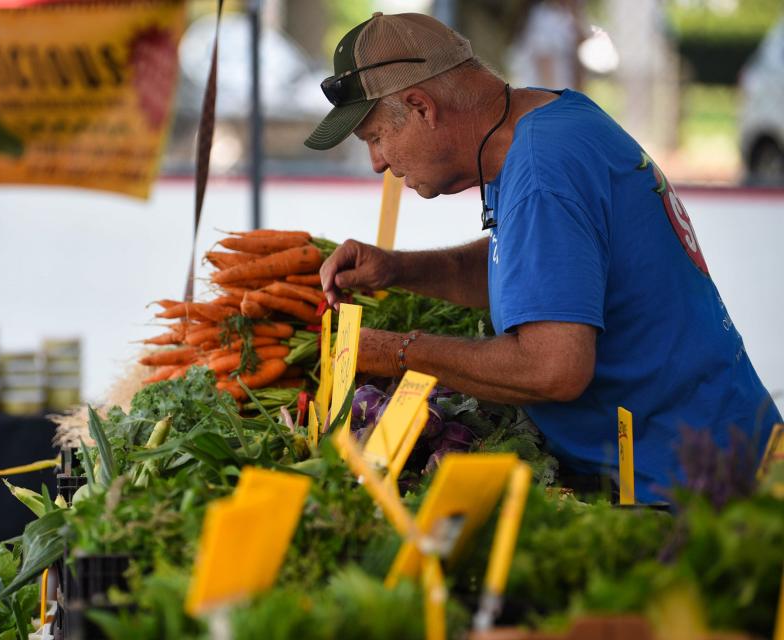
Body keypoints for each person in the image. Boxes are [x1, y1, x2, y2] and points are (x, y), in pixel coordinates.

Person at [304, 12, 780, 502]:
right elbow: (540, 271)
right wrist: (399, 268)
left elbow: (554, 369)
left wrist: (399, 352)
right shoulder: (549, 120)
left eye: (376, 137)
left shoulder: (540, 171)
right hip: (720, 451)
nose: (378, 162)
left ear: (421, 107)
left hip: (698, 488)